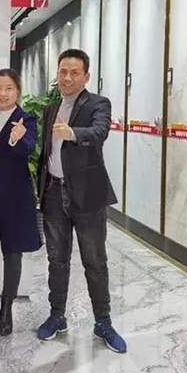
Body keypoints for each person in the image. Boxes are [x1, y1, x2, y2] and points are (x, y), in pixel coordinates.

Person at [37, 49, 127, 353]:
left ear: (86, 76)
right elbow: (47, 151)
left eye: (74, 73)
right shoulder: (51, 108)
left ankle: (103, 322)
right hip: (54, 193)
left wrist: (72, 132)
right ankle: (57, 316)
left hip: (87, 194)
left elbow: (100, 132)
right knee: (57, 259)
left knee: (95, 261)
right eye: (63, 71)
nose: (67, 78)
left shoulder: (98, 103)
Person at [0, 69, 41, 336]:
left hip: (15, 195)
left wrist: (16, 139)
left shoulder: (27, 118)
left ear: (18, 91)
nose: (3, 94)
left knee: (12, 252)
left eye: (9, 88)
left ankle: (6, 308)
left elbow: (29, 148)